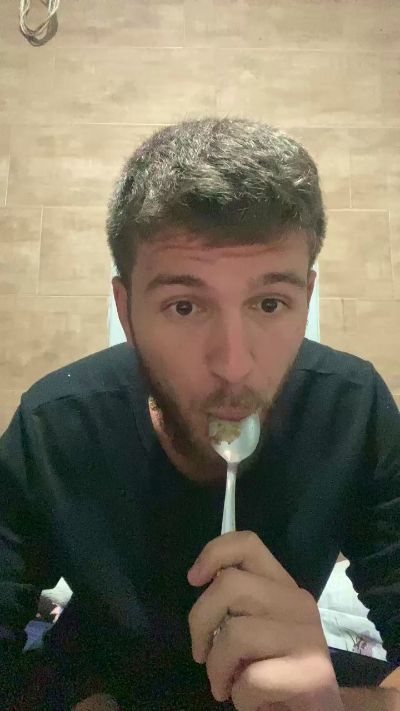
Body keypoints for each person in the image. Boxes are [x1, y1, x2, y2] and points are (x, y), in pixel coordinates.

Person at [0, 117, 399, 710]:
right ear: (127, 311)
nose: (234, 365)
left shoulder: (353, 409)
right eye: (184, 306)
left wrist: (334, 705)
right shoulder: (54, 426)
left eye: (270, 303)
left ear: (306, 298)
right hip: (98, 678)